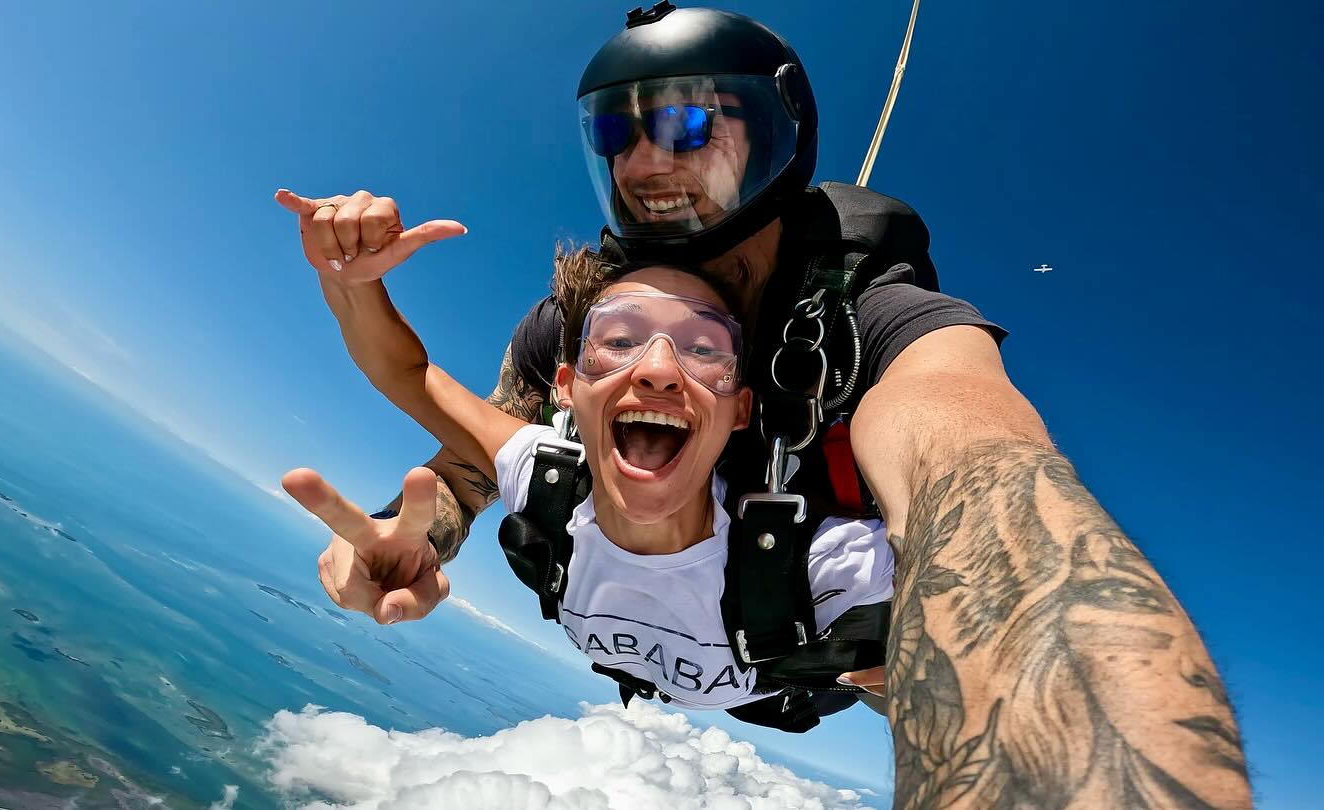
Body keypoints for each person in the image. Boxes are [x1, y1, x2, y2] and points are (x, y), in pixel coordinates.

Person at [279, 4, 1251, 805]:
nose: (648, 162)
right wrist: (403, 535)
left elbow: (982, 474)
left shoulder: (871, 318)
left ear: (776, 135)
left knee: (885, 648)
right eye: (617, 134)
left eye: (692, 125)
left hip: (812, 652)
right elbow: (473, 455)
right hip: (678, 628)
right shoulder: (581, 331)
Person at [283, 238, 895, 719]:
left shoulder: (826, 566)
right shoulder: (540, 472)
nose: (658, 368)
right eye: (620, 339)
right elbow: (409, 374)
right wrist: (348, 278)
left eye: (704, 348)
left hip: (791, 688)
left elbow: (972, 604)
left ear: (740, 408)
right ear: (567, 388)